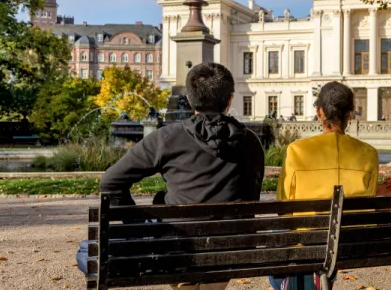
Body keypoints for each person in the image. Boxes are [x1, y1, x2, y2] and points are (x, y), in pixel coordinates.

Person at [76, 63, 265, 290]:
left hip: (176, 250)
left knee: (86, 250)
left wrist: (137, 226)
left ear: (190, 99)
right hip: (233, 250)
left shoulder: (167, 138)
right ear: (230, 99)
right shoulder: (252, 143)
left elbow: (110, 182)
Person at [270, 82, 379, 290]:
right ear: (349, 114)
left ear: (319, 112)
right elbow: (370, 200)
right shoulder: (369, 153)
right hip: (353, 242)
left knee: (279, 252)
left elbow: (284, 206)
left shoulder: (296, 150)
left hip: (307, 241)